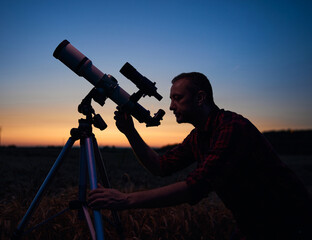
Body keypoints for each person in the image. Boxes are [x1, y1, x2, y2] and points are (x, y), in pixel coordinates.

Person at [88, 72, 311, 239]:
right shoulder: (199, 135)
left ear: (200, 98)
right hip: (254, 224)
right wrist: (130, 132)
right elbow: (160, 166)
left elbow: (197, 185)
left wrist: (125, 200)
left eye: (177, 98)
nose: (171, 106)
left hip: (291, 222)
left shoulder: (231, 127)